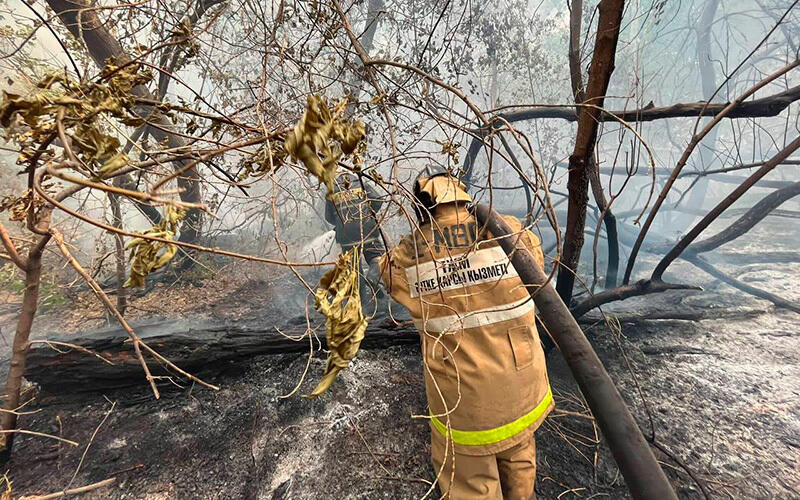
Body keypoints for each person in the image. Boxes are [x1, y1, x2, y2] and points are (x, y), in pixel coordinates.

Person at [378, 166, 553, 499]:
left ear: (421, 206)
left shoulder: (410, 253)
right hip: (522, 385)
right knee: (518, 458)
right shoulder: (510, 230)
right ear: (463, 194)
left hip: (465, 401)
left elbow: (389, 274)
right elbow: (536, 268)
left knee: (470, 483)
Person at [324, 171, 385, 312]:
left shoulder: (331, 191)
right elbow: (378, 200)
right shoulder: (361, 182)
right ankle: (374, 277)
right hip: (367, 229)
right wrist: (369, 213)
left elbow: (329, 217)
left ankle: (362, 304)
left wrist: (341, 223)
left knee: (355, 269)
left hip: (346, 236)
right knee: (377, 256)